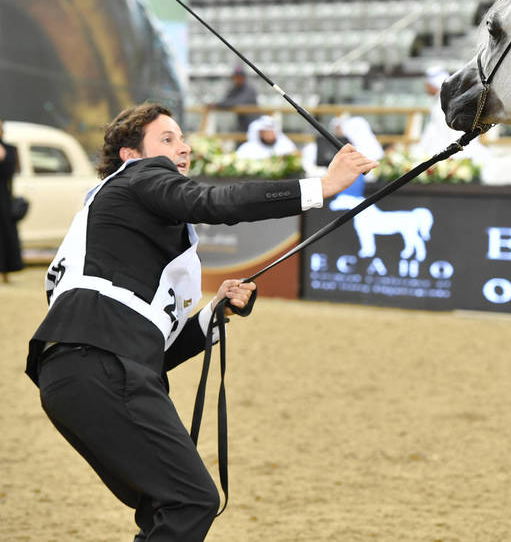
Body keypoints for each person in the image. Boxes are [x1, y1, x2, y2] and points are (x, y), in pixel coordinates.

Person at [25, 103, 377, 542]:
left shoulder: (115, 224)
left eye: (183, 138)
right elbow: (214, 202)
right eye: (166, 139)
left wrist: (215, 312)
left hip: (78, 371)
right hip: (96, 365)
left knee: (169, 504)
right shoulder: (138, 178)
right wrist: (321, 187)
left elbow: (154, 353)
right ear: (130, 157)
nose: (184, 148)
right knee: (190, 500)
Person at [0, 119, 25, 282]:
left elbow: (11, 171)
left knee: (4, 234)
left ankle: (5, 271)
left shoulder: (9, 149)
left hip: (3, 198)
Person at [209, 64, 258, 132]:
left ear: (244, 77)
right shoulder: (235, 88)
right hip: (242, 124)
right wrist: (216, 104)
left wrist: (217, 105)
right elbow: (226, 100)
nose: (237, 79)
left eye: (240, 77)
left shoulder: (249, 89)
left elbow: (238, 103)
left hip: (254, 124)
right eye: (236, 77)